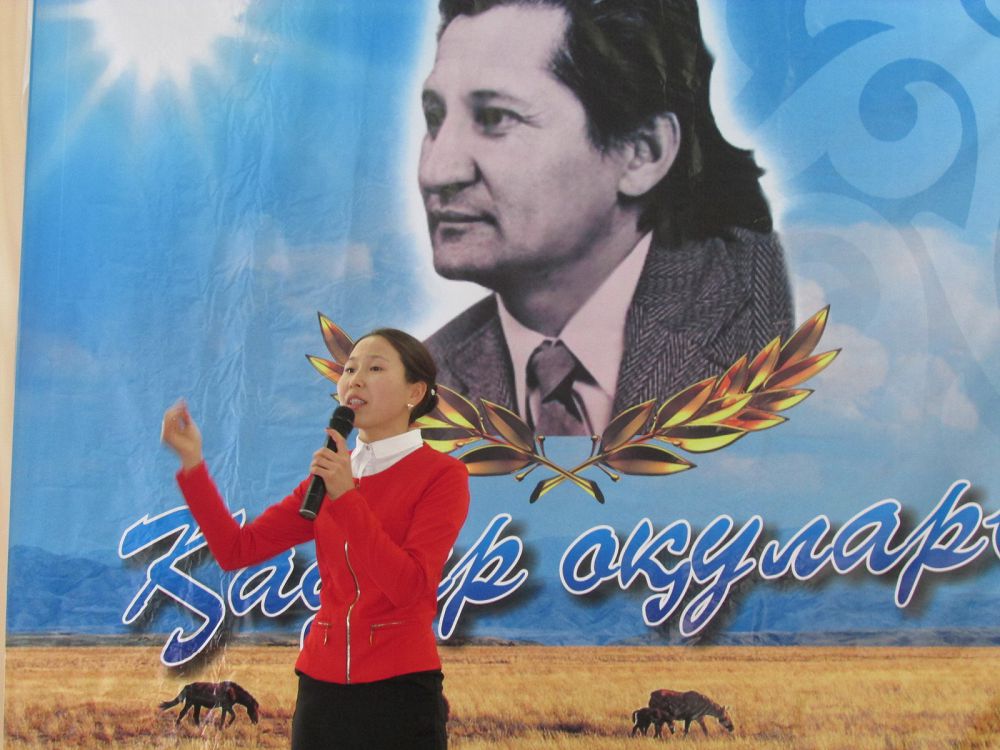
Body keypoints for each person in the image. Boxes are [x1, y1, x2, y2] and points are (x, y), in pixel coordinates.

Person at [420, 0, 793, 436]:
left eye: (496, 118)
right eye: (434, 119)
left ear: (642, 153)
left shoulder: (773, 308)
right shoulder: (428, 380)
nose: (436, 172)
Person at [161, 329, 470, 750]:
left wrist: (346, 498)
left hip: (400, 690)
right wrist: (192, 464)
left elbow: (409, 586)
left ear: (414, 392)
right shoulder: (328, 477)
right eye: (349, 369)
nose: (355, 380)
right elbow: (236, 550)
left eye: (375, 368)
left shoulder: (441, 476)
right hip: (320, 690)